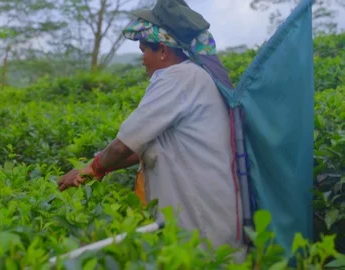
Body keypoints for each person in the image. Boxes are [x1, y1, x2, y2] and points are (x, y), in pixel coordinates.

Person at [58, 0, 247, 261]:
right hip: (215, 211)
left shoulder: (177, 79)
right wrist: (96, 169)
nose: (141, 59)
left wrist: (95, 168)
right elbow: (144, 147)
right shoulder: (194, 76)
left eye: (143, 49)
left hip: (203, 218)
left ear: (161, 50)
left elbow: (123, 144)